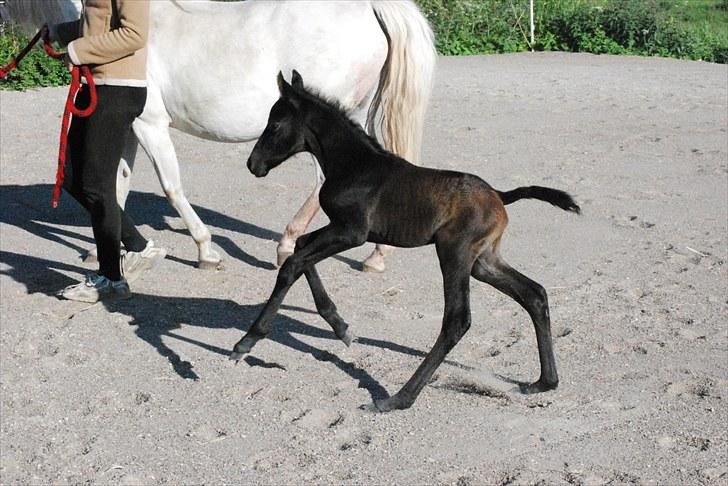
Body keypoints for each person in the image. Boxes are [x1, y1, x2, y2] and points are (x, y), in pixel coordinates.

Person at [45, 0, 165, 303]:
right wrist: (61, 32)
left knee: (97, 186)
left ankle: (111, 279)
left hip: (117, 89)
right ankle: (138, 247)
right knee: (72, 178)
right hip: (97, 84)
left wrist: (77, 51)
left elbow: (134, 34)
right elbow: (97, 21)